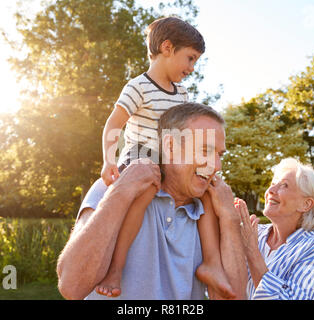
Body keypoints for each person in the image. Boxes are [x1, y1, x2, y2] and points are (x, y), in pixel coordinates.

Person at [97, 17, 233, 298]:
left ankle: (212, 264)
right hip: (141, 157)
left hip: (171, 158)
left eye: (195, 61)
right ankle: (115, 267)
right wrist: (109, 160)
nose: (192, 68)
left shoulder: (181, 94)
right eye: (190, 58)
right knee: (147, 189)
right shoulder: (138, 87)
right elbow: (113, 125)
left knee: (207, 188)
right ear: (167, 47)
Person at [56, 103, 248, 300]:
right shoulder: (113, 187)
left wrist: (229, 218)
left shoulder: (212, 209)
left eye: (219, 155)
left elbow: (235, 297)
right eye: (205, 150)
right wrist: (120, 191)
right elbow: (72, 286)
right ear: (170, 146)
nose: (217, 165)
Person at [235, 158, 314, 300]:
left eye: (284, 185)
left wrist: (252, 251)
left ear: (306, 204)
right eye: (272, 184)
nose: (270, 190)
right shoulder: (254, 234)